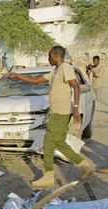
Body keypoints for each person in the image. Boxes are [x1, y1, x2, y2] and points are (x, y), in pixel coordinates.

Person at [8, 46, 94, 187]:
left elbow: (76, 86)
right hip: (56, 112)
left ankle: (49, 176)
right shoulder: (55, 71)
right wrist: (18, 76)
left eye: (50, 56)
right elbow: (36, 80)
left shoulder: (66, 68)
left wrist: (76, 109)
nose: (48, 59)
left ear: (57, 55)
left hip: (61, 112)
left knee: (48, 143)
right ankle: (85, 166)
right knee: (59, 142)